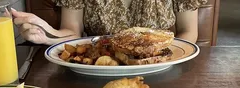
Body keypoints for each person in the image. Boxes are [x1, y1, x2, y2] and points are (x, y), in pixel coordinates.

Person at [12, 0, 208, 45]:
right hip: (97, 71)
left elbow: (188, 31)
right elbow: (72, 32)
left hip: (163, 71)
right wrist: (46, 33)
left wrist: (163, 56)